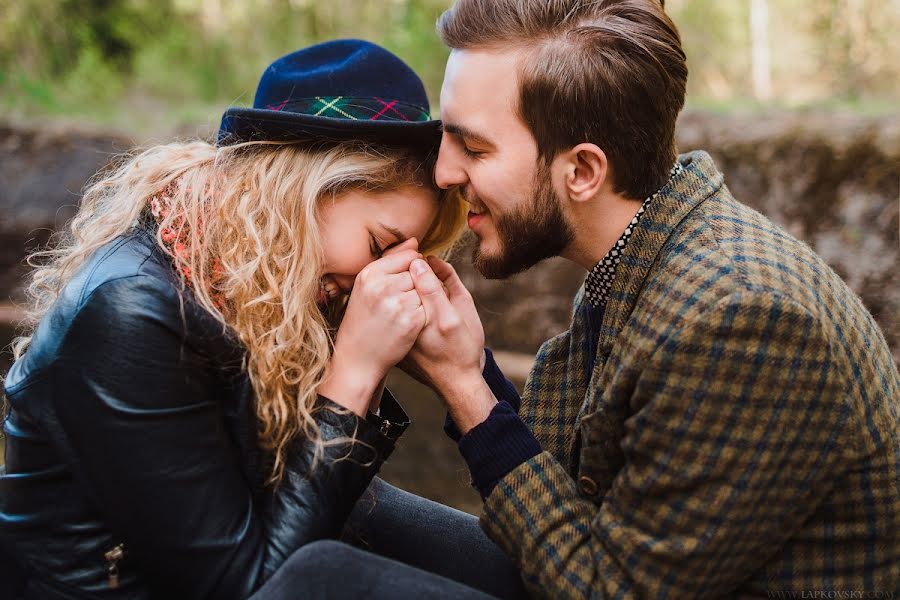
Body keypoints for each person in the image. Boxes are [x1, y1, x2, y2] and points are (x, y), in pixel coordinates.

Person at [341, 1, 900, 598]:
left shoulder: (739, 315)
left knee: (323, 576)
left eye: (473, 148)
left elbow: (610, 586)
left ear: (582, 170)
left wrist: (465, 390)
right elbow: (562, 491)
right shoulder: (646, 252)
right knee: (353, 515)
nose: (445, 173)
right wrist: (470, 365)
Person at [0, 39, 505, 599]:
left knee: (510, 569)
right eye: (379, 244)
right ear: (302, 189)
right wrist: (354, 375)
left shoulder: (258, 286)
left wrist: (462, 368)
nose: (376, 278)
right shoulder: (130, 312)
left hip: (268, 546)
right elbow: (250, 587)